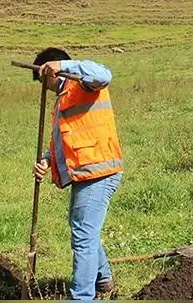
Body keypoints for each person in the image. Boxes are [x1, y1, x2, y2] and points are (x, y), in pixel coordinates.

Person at [31, 47, 124, 301]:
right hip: (84, 173)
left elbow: (104, 74)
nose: (45, 87)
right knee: (83, 229)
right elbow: (64, 139)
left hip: (100, 171)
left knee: (83, 235)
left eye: (44, 80)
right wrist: (47, 161)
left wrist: (64, 66)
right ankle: (103, 279)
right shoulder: (63, 98)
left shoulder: (84, 83)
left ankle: (81, 297)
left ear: (52, 70)